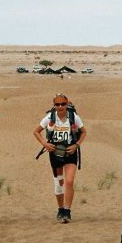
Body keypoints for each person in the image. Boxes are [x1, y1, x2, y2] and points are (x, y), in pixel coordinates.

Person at [33, 94, 87, 223]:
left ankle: (67, 211)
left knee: (69, 181)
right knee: (59, 184)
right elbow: (36, 131)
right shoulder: (49, 117)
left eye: (63, 104)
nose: (60, 106)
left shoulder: (74, 117)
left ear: (67, 104)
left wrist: (76, 145)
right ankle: (60, 209)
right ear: (54, 105)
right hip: (55, 154)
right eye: (57, 104)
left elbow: (84, 132)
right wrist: (45, 144)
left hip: (70, 153)